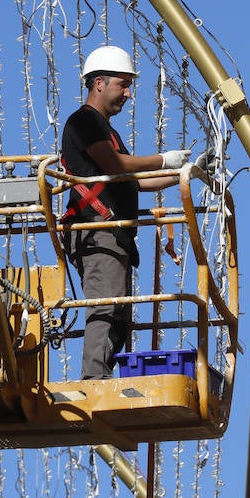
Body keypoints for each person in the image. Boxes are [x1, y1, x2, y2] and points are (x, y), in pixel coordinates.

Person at [61, 45, 188, 380]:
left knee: (118, 313)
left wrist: (184, 173)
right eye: (123, 84)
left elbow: (136, 181)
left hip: (112, 234)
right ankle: (94, 383)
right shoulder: (84, 122)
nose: (129, 94)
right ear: (98, 83)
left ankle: (101, 379)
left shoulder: (105, 129)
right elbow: (116, 165)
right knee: (105, 307)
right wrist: (164, 159)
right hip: (96, 230)